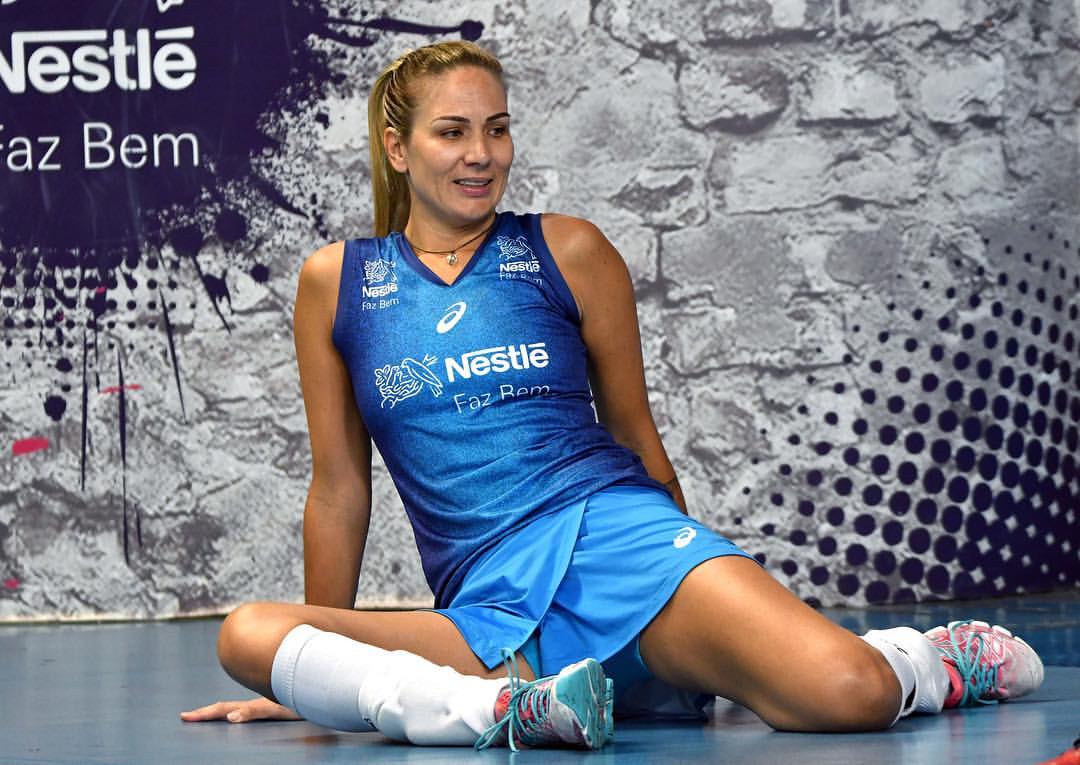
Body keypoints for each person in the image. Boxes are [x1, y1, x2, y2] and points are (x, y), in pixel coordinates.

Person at [180, 40, 1045, 750]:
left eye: (497, 130)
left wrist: (702, 576)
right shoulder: (337, 282)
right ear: (399, 148)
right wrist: (314, 667)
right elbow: (340, 487)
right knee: (250, 634)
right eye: (452, 132)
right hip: (490, 611)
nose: (481, 154)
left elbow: (637, 439)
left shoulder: (569, 250)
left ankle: (930, 657)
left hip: (622, 545)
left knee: (849, 691)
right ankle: (507, 711)